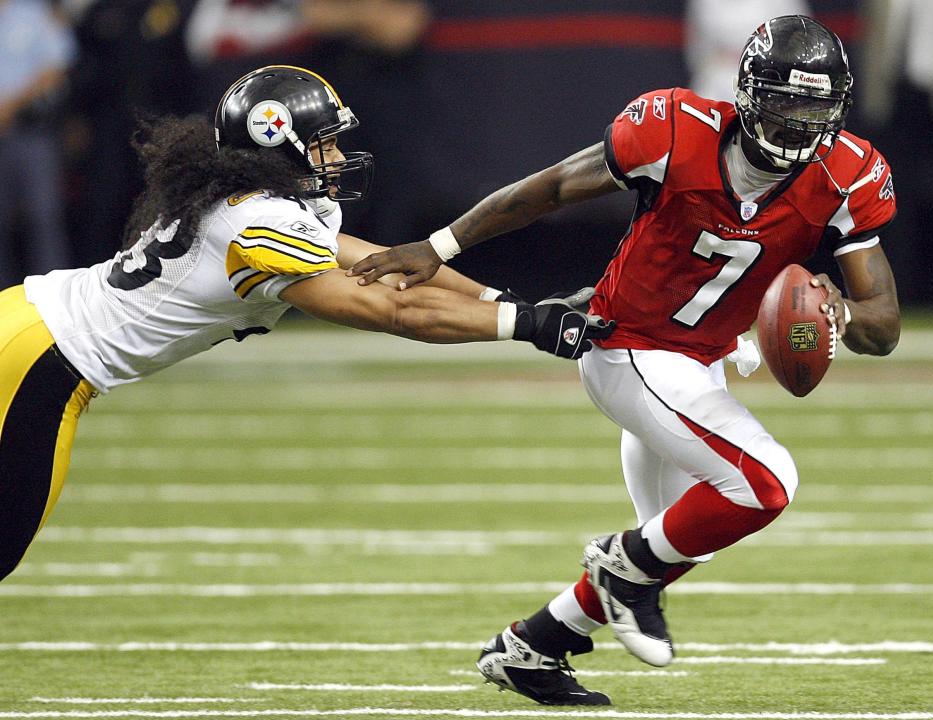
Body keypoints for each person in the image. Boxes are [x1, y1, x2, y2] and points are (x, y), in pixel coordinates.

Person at [348, 16, 902, 706]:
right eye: (786, 105)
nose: (798, 125)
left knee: (675, 540)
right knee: (765, 484)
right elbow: (548, 189)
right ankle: (620, 573)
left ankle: (532, 647)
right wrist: (440, 245)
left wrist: (838, 312)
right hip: (628, 345)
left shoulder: (847, 174)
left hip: (700, 363)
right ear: (749, 95)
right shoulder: (674, 128)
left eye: (815, 110)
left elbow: (883, 325)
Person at [0, 65, 613, 584]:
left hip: (23, 320)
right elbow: (393, 310)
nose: (337, 158)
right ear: (277, 141)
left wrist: (503, 297)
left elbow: (387, 268)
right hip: (43, 359)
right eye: (324, 144)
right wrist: (527, 325)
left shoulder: (256, 200)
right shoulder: (257, 223)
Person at [0, 0, 77, 289]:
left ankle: (57, 293)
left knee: (43, 215)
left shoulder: (33, 13)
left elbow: (57, 66)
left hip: (30, 129)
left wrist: (11, 105)